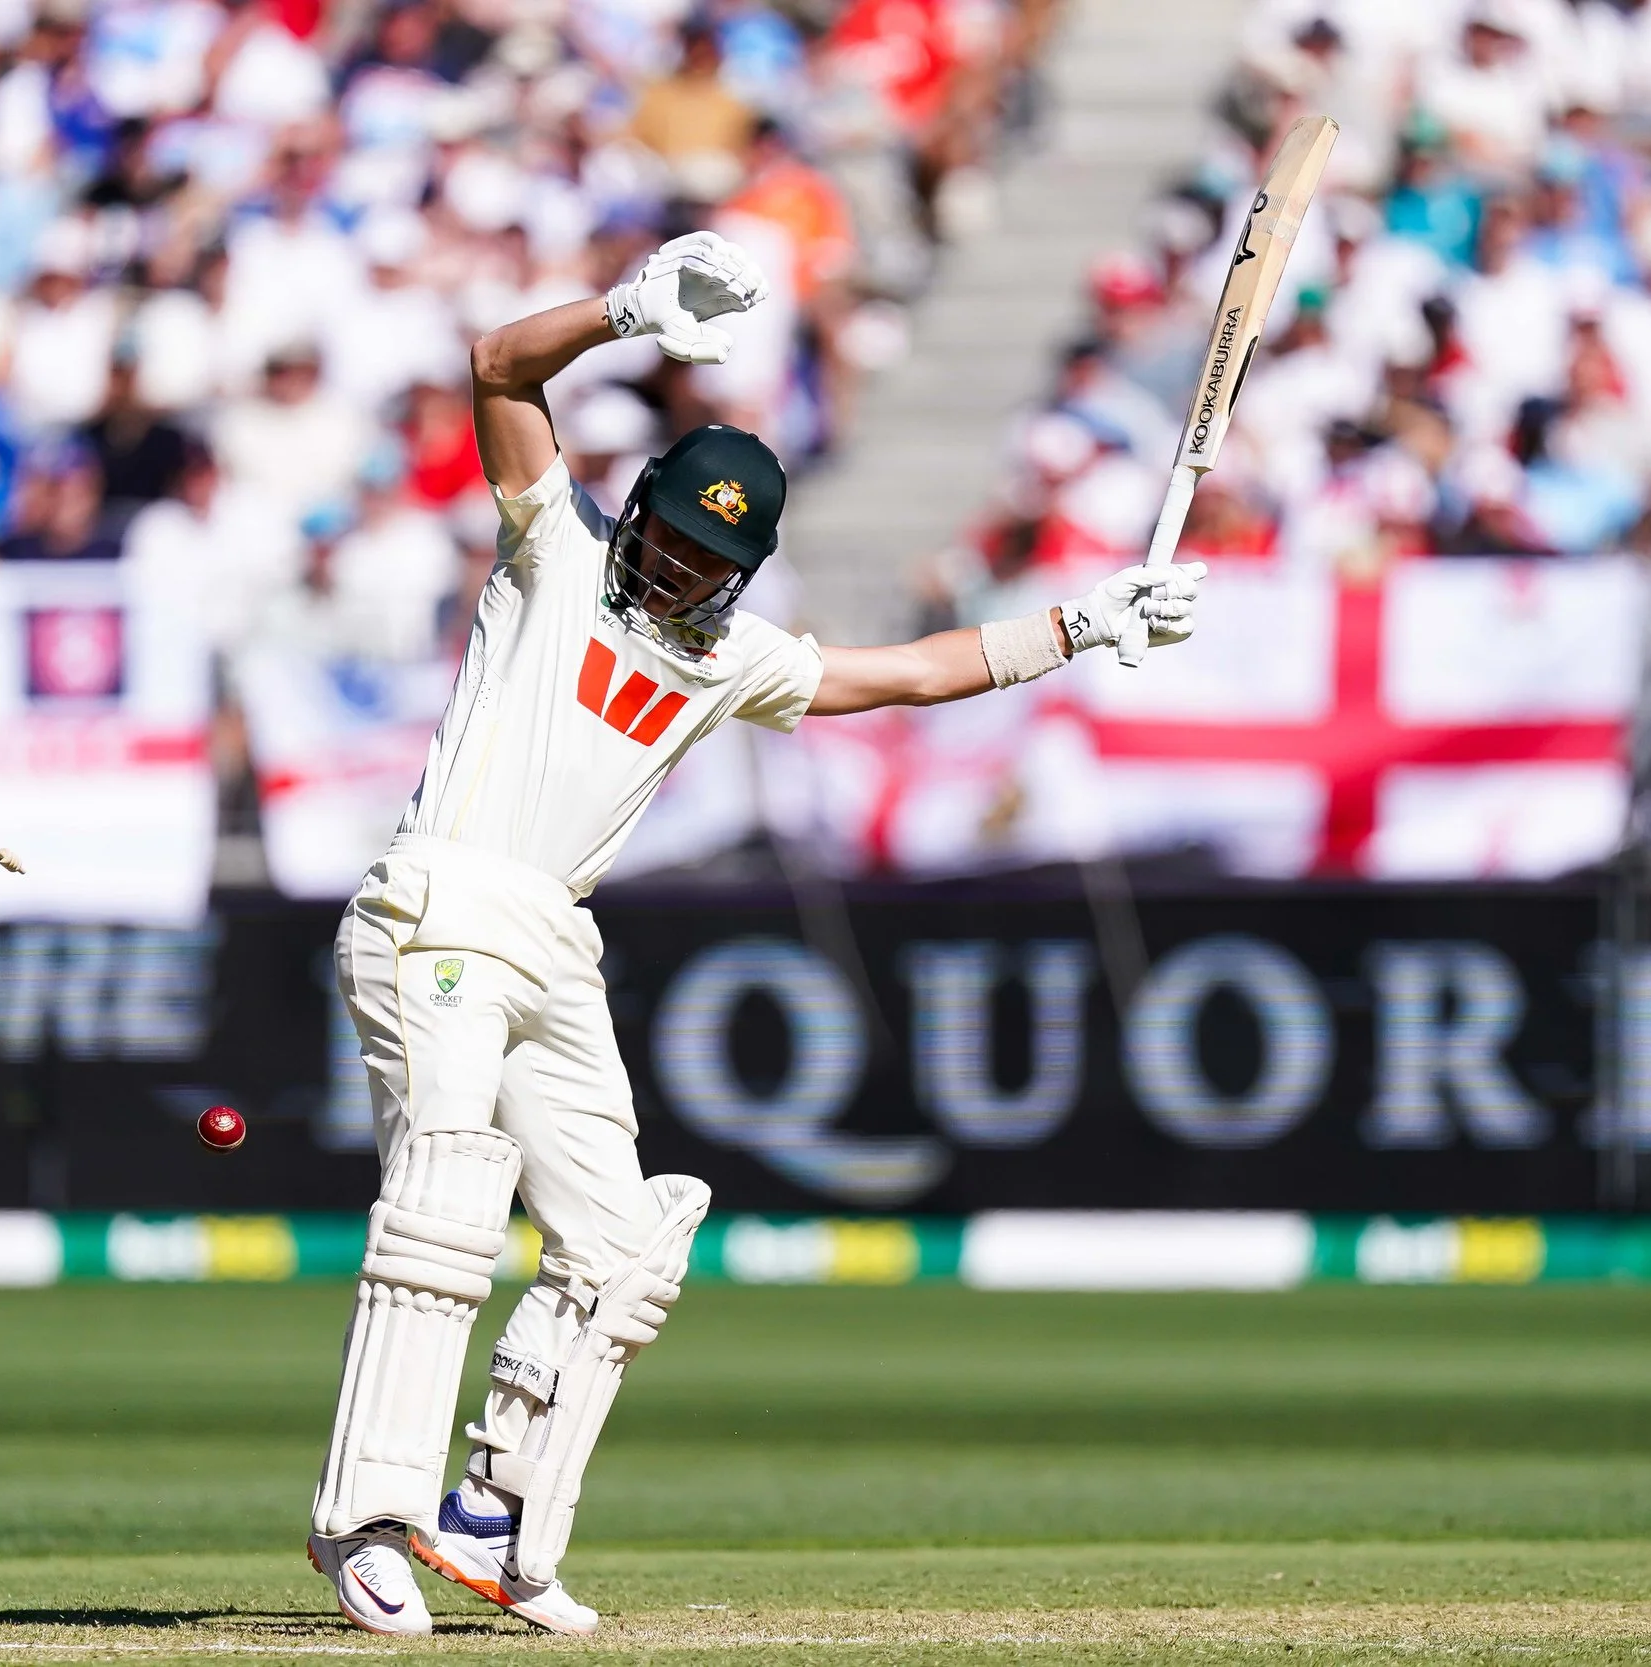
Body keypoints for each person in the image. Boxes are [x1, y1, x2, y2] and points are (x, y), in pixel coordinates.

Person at [304, 230, 1205, 1638]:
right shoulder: (555, 551)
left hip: (554, 939)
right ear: (641, 509)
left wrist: (1080, 625)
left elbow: (904, 671)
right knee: (449, 1202)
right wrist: (620, 314)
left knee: (622, 1242)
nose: (674, 566)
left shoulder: (731, 659)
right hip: (437, 905)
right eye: (668, 533)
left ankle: (495, 1512)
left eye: (707, 555)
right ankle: (367, 1514)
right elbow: (493, 366)